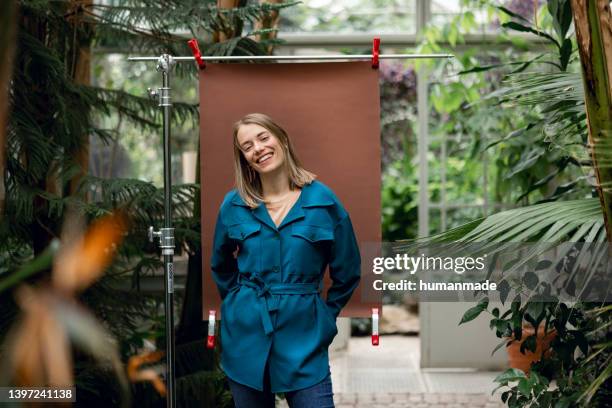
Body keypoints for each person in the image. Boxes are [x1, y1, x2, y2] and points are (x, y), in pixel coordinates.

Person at [210, 113, 361, 408]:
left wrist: (325, 316)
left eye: (263, 137)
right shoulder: (234, 204)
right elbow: (221, 264)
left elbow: (348, 270)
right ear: (243, 157)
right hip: (246, 336)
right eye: (247, 145)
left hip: (304, 335)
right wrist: (236, 308)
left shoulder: (323, 201)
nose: (258, 148)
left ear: (282, 140)